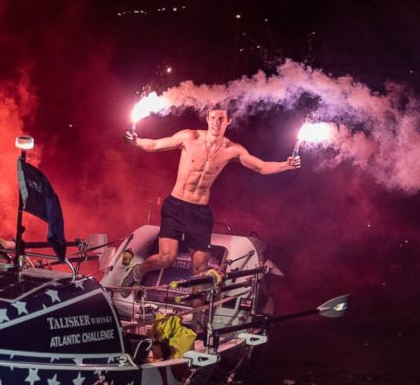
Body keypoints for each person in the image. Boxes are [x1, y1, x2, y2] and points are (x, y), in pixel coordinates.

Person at [123, 105, 300, 289]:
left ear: (228, 121)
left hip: (200, 212)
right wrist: (136, 141)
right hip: (175, 206)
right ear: (207, 118)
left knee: (200, 270)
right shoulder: (190, 137)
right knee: (166, 258)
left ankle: (197, 316)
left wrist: (286, 165)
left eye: (221, 119)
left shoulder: (232, 149)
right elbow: (155, 145)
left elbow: (261, 167)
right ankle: (139, 270)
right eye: (214, 118)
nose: (217, 123)